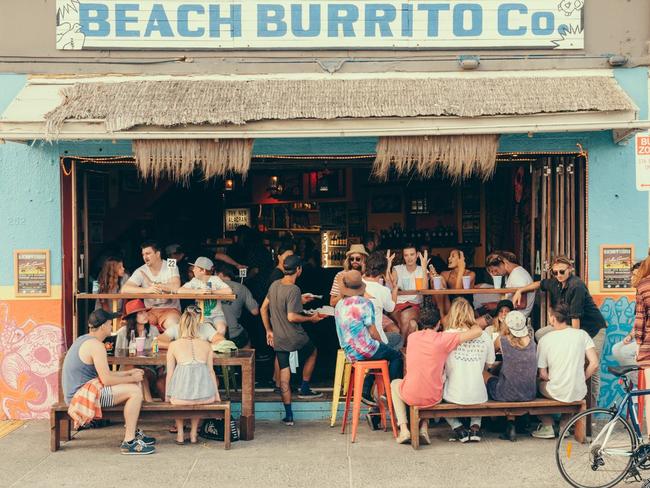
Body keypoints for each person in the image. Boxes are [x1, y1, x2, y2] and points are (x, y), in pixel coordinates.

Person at [513, 255, 606, 408]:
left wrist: (572, 349)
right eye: (555, 273)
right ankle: (558, 376)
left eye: (562, 272)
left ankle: (590, 410)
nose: (558, 275)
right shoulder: (556, 283)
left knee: (593, 367)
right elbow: (538, 284)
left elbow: (576, 320)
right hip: (571, 325)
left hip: (592, 328)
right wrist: (520, 290)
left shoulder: (577, 286)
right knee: (540, 334)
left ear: (570, 269)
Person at [62, 309, 156, 455]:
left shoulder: (84, 339)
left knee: (134, 385)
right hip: (83, 397)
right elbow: (107, 379)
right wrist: (132, 378)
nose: (112, 327)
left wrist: (128, 372)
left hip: (87, 391)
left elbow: (105, 374)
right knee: (135, 391)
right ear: (103, 326)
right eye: (110, 324)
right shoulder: (96, 346)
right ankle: (129, 442)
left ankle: (133, 431)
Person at [391, 306, 482, 445]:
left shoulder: (412, 338)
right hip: (434, 397)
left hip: (411, 394)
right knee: (431, 382)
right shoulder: (443, 339)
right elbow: (477, 331)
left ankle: (404, 429)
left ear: (420, 322)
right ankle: (423, 428)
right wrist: (470, 321)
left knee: (395, 384)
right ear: (439, 324)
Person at [261, 255, 324, 426]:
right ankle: (304, 387)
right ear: (298, 270)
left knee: (284, 376)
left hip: (279, 339)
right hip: (296, 337)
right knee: (313, 351)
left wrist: (269, 330)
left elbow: (263, 308)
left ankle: (289, 416)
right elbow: (292, 316)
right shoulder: (294, 289)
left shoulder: (275, 285)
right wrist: (311, 318)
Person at [334, 270, 403, 407]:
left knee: (380, 356)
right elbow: (372, 331)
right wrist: (383, 344)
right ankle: (389, 393)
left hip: (349, 352)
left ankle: (366, 390)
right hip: (365, 349)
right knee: (396, 356)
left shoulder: (339, 305)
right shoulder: (365, 303)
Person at [533, 303, 599, 439]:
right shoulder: (582, 335)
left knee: (532, 387)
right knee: (570, 391)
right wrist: (582, 378)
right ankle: (564, 425)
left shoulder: (545, 339)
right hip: (579, 390)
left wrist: (554, 378)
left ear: (552, 319)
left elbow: (543, 374)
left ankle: (547, 424)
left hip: (557, 391)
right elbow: (594, 364)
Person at [443, 298, 495, 443]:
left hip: (453, 393)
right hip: (478, 395)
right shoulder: (484, 335)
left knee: (438, 393)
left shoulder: (446, 335)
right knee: (479, 382)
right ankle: (475, 425)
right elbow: (489, 366)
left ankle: (457, 427)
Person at [165, 307, 220, 445]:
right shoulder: (207, 345)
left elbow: (170, 373)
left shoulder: (173, 345)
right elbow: (211, 371)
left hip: (181, 399)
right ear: (197, 325)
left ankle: (180, 435)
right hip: (205, 397)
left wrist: (168, 394)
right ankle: (194, 434)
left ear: (181, 325)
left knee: (177, 397)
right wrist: (217, 395)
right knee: (197, 395)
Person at [484, 310, 537, 441]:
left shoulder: (502, 340)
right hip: (529, 393)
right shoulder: (532, 341)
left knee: (483, 374)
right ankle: (511, 423)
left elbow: (489, 359)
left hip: (506, 394)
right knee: (510, 379)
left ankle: (491, 420)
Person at [121, 241, 181, 332]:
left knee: (173, 327)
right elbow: (124, 289)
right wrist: (146, 290)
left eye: (148, 253)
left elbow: (175, 286)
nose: (145, 257)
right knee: (137, 326)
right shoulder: (141, 270)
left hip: (170, 310)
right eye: (143, 254)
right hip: (149, 311)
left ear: (158, 254)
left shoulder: (170, 264)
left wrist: (156, 286)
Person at [116, 299, 161, 402]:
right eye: (141, 313)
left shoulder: (153, 330)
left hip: (148, 368)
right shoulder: (123, 332)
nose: (145, 315)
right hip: (127, 369)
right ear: (133, 317)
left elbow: (157, 352)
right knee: (135, 371)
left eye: (145, 312)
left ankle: (147, 405)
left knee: (141, 373)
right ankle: (148, 405)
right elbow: (118, 356)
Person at [179, 256, 233, 341]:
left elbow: (229, 291)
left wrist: (212, 292)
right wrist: (198, 291)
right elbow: (180, 290)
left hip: (217, 315)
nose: (193, 270)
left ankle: (216, 349)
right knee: (205, 332)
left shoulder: (215, 279)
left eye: (195, 268)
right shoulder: (194, 281)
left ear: (203, 270)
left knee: (221, 329)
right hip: (201, 315)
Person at [214, 260, 259, 349]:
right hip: (235, 335)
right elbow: (255, 311)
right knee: (246, 342)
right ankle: (245, 360)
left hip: (214, 335)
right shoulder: (241, 288)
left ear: (220, 274)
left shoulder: (210, 288)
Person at [363, 251, 403, 350]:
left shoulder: (357, 283)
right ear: (382, 272)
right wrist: (394, 290)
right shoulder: (382, 290)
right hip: (375, 341)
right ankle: (386, 361)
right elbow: (391, 308)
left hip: (356, 340)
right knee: (399, 338)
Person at [392, 244, 429, 343]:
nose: (409, 258)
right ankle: (405, 346)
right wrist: (388, 266)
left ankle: (401, 346)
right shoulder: (397, 269)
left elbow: (425, 289)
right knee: (411, 324)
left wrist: (424, 267)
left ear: (417, 255)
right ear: (403, 256)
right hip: (396, 305)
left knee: (406, 317)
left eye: (412, 254)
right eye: (406, 255)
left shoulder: (422, 270)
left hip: (414, 305)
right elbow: (392, 284)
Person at [612, 261, 643, 375]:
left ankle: (641, 387)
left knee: (625, 352)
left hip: (646, 340)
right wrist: (630, 335)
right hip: (641, 337)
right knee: (616, 349)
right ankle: (636, 383)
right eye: (632, 275)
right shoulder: (639, 293)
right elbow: (638, 321)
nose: (632, 279)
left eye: (635, 275)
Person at [485, 251, 535, 317]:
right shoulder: (512, 274)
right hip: (509, 314)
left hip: (516, 318)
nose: (495, 274)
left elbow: (522, 304)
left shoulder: (518, 275)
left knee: (480, 321)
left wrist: (497, 305)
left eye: (495, 270)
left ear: (504, 263)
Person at [633, 257, 650, 437]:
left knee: (649, 396)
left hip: (648, 346)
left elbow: (640, 319)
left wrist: (638, 344)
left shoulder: (643, 284)